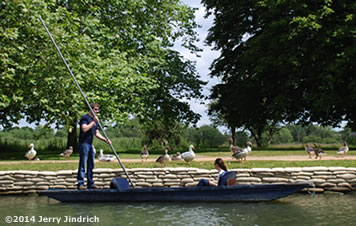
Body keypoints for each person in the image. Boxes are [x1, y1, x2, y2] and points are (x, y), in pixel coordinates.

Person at [77, 103, 111, 190]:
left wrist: (105, 140)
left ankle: (90, 183)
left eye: (98, 110)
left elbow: (96, 133)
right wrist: (93, 122)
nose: (97, 111)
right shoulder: (85, 118)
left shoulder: (94, 120)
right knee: (83, 164)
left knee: (91, 164)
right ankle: (80, 183)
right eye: (95, 109)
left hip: (90, 144)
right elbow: (84, 129)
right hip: (83, 143)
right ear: (91, 109)